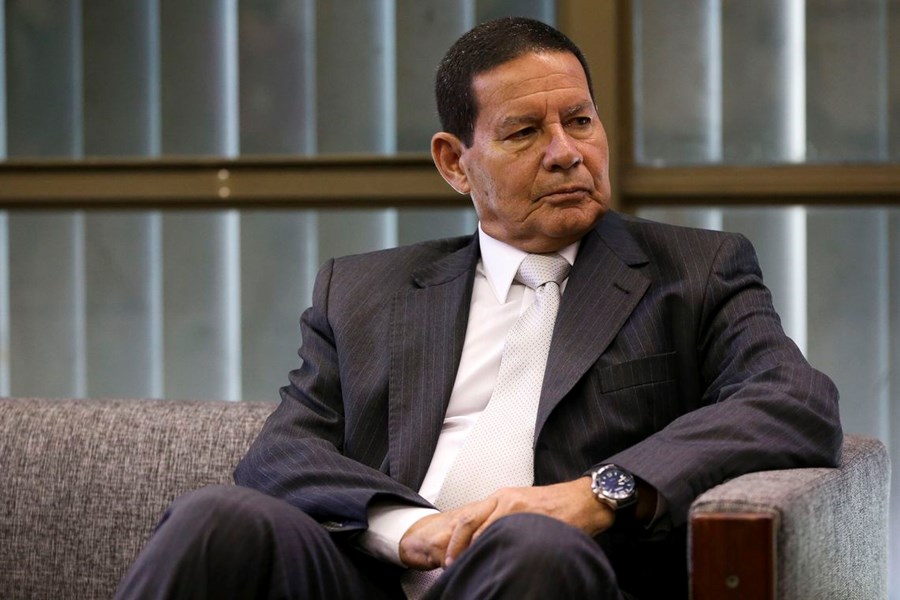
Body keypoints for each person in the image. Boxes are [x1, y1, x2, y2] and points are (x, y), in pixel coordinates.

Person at [115, 16, 841, 600]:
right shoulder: (364, 290)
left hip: (548, 572)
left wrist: (597, 494)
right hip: (376, 577)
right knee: (216, 518)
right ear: (454, 162)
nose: (566, 152)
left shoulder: (695, 271)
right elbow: (282, 454)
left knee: (530, 543)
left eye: (580, 121)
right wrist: (406, 530)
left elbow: (793, 401)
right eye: (525, 132)